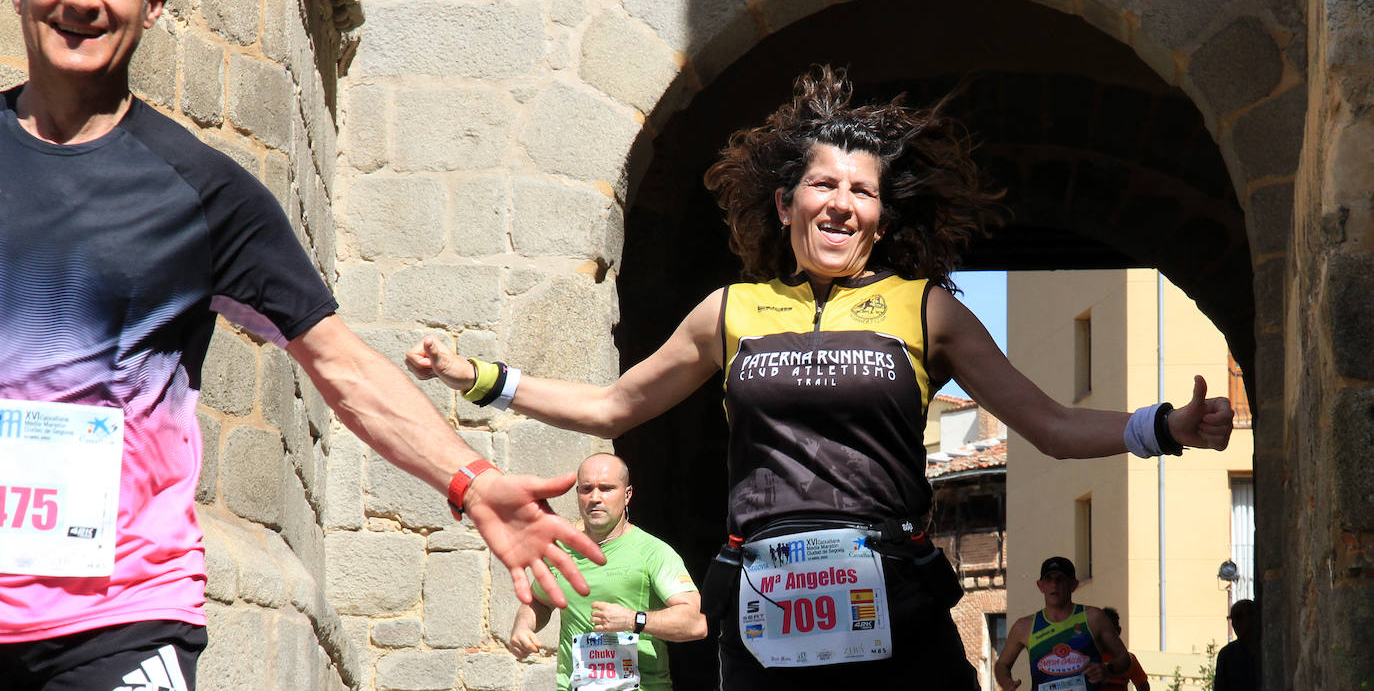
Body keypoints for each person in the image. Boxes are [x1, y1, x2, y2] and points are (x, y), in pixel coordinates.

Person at [407, 66, 1234, 689]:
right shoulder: (730, 311)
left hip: (895, 592)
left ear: (881, 214)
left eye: (861, 191)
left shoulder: (926, 309)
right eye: (823, 183)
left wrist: (1161, 426)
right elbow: (613, 405)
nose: (841, 202)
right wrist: (481, 375)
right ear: (784, 204)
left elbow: (1047, 423)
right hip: (765, 597)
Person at [0, 0, 601, 689]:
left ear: (155, 3)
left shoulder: (205, 194)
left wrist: (472, 479)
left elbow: (342, 367)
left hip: (118, 617)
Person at [507, 453, 707, 690]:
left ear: (627, 495)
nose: (595, 498)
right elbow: (538, 602)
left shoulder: (652, 552)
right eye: (586, 489)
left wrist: (633, 619)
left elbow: (696, 623)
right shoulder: (560, 551)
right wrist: (522, 627)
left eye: (606, 488)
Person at [994, 557, 1130, 691]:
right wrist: (1007, 683)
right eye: (1049, 579)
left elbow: (1124, 657)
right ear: (1040, 586)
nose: (1054, 585)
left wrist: (1107, 669)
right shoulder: (1024, 627)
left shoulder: (1093, 617)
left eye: (1060, 579)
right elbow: (1002, 664)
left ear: (1073, 585)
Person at [1099, 607, 1150, 691]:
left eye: (1109, 631)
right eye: (1102, 631)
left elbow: (1144, 686)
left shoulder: (1130, 659)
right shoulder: (1085, 657)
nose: (1106, 636)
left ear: (1118, 631)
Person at [1213, 599, 1259, 691]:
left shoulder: (1267, 651)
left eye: (1238, 617)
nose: (1234, 623)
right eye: (1231, 619)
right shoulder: (1226, 655)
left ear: (1253, 617)